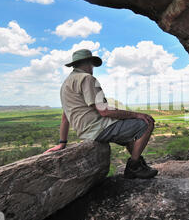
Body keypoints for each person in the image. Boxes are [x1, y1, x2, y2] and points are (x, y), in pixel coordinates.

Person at [45, 49, 158, 179]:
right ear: (88, 63)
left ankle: (139, 163)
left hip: (86, 132)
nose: (92, 67)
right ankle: (133, 167)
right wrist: (137, 115)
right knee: (147, 122)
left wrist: (62, 143)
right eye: (92, 64)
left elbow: (65, 117)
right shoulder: (87, 79)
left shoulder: (66, 84)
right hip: (99, 128)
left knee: (129, 134)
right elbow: (104, 111)